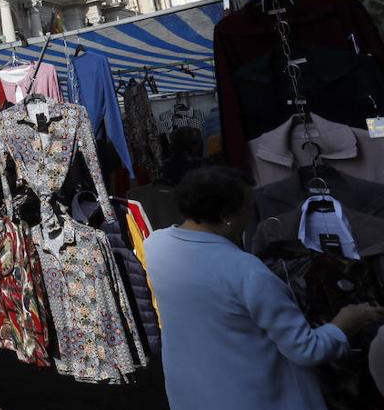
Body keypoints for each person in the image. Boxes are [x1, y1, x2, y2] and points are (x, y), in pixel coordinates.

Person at [144, 166, 384, 410]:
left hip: (193, 395)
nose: (251, 215)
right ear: (228, 215)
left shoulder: (156, 246)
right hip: (258, 397)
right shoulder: (247, 272)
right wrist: (346, 322)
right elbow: (306, 350)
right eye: (248, 207)